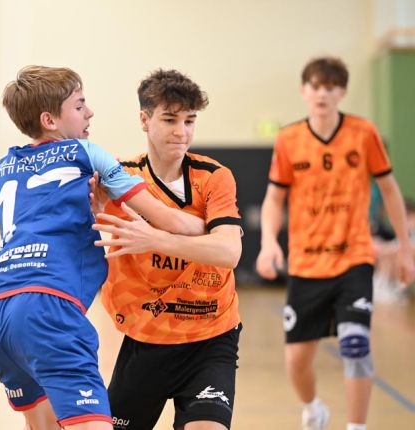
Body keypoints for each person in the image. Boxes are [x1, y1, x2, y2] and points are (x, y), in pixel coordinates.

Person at [0, 65, 204, 430]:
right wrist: (220, 226)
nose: (90, 112)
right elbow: (168, 220)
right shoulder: (85, 153)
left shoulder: (5, 166)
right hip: (48, 307)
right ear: (49, 119)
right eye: (80, 106)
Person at [255, 56, 415, 430]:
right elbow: (275, 198)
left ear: (342, 92)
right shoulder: (289, 139)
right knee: (297, 361)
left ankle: (357, 426)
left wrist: (405, 247)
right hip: (306, 264)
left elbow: (390, 190)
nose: (322, 94)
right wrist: (268, 242)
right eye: (315, 86)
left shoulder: (363, 133)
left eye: (330, 87)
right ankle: (313, 408)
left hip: (353, 258)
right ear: (303, 91)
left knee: (356, 346)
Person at [90, 69, 243, 430]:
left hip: (210, 335)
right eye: (170, 119)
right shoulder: (120, 178)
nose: (182, 132)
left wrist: (154, 238)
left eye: (190, 121)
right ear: (144, 120)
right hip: (146, 338)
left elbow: (228, 252)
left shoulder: (214, 176)